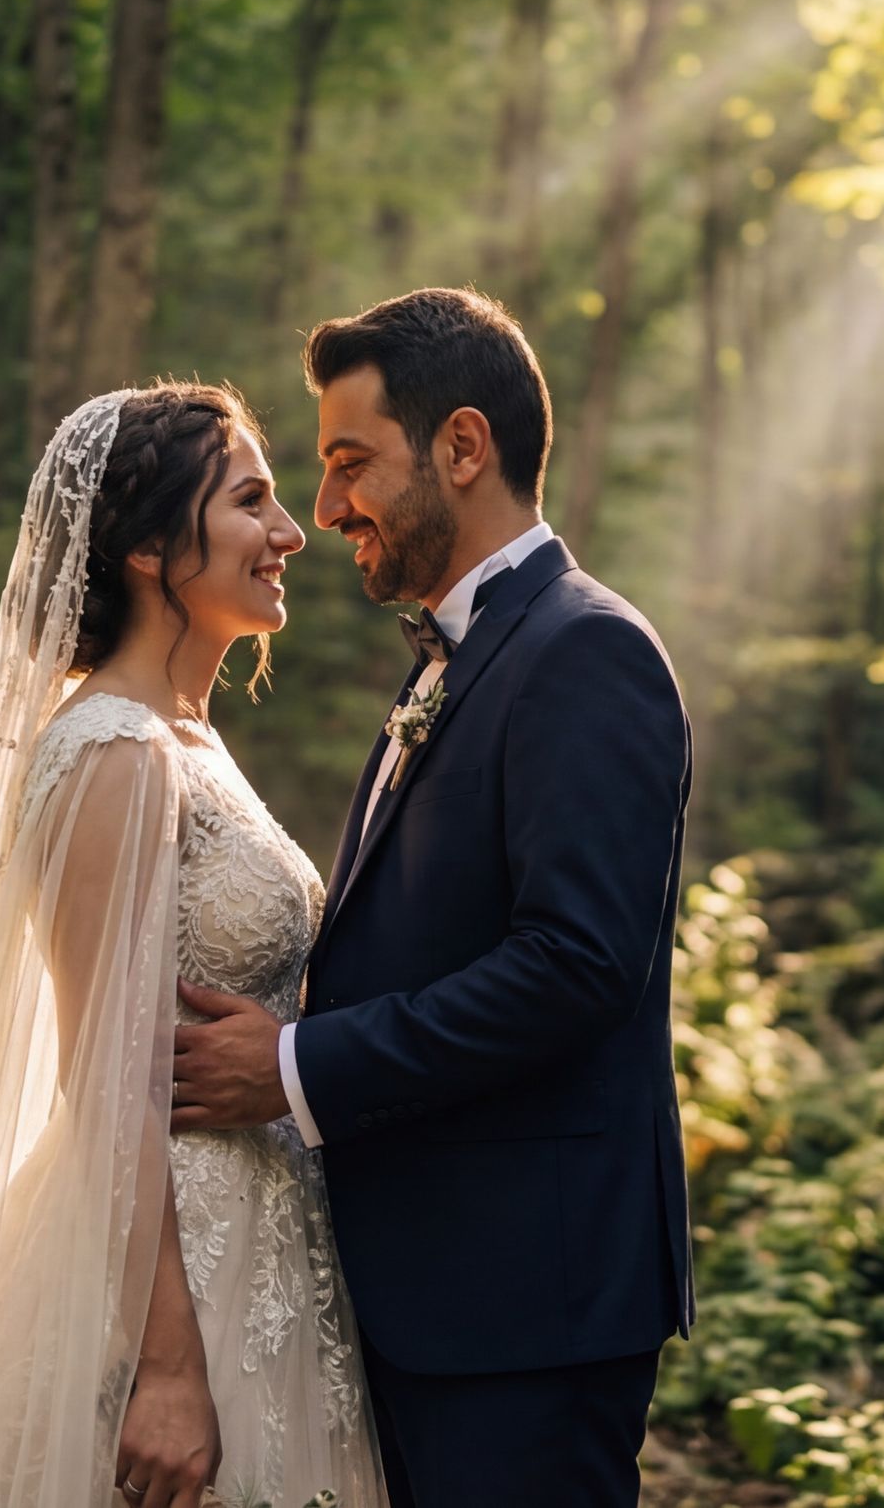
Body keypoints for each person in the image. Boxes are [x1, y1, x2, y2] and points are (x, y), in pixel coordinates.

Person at [0, 381, 386, 1508]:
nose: (291, 534)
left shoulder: (183, 741)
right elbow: (107, 1081)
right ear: (148, 549)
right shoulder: (115, 755)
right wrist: (172, 1371)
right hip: (164, 1272)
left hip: (258, 1238)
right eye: (252, 502)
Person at [172, 289, 696, 1508]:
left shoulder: (585, 652)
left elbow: (576, 966)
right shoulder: (460, 660)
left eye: (352, 463)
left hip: (525, 1309)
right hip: (430, 1295)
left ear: (463, 448)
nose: (329, 507)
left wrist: (298, 1069)